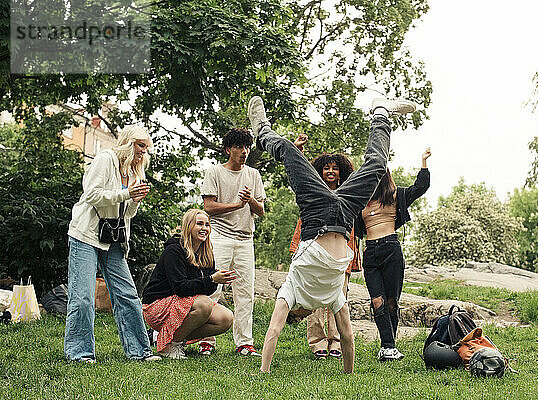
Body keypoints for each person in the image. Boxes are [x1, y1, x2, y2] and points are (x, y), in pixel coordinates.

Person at [247, 95, 417, 373]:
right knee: (376, 166)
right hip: (345, 212)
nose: (301, 316)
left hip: (315, 213)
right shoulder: (333, 296)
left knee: (289, 151)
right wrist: (349, 375)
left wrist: (264, 372)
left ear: (296, 312)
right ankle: (381, 114)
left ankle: (262, 130)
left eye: (298, 317)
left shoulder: (289, 292)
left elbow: (274, 331)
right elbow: (348, 337)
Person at [65, 125, 160, 363]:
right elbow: (92, 194)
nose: (142, 152)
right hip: (85, 234)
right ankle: (79, 353)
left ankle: (140, 351)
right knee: (83, 297)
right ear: (128, 143)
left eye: (145, 148)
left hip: (113, 239)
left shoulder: (137, 171)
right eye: (140, 146)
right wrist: (127, 193)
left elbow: (128, 214)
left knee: (127, 294)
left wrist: (134, 199)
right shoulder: (106, 159)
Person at [355, 149, 430, 361]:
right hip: (370, 252)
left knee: (391, 302)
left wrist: (423, 162)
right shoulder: (360, 202)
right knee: (376, 301)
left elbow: (421, 187)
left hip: (391, 249)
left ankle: (388, 346)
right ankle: (388, 346)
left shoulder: (396, 196)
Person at [288, 147, 362, 360]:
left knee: (339, 299)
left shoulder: (348, 192)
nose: (331, 171)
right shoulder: (313, 192)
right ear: (319, 171)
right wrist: (299, 150)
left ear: (342, 172)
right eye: (326, 168)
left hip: (341, 252)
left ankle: (337, 342)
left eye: (335, 168)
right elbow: (299, 173)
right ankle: (318, 342)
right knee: (315, 297)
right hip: (316, 252)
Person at [200, 128, 266, 356]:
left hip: (246, 239)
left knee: (245, 292)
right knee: (212, 289)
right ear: (228, 149)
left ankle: (244, 343)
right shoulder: (215, 172)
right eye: (239, 147)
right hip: (220, 237)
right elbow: (208, 207)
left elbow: (262, 211)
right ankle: (206, 339)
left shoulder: (253, 175)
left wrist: (250, 201)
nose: (244, 151)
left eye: (247, 147)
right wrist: (236, 205)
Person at [142, 209, 236, 359]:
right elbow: (181, 288)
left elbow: (207, 290)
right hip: (156, 306)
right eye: (199, 224)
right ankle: (170, 346)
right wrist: (211, 279)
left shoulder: (206, 252)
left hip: (183, 303)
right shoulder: (174, 251)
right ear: (189, 226)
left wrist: (215, 280)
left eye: (207, 225)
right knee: (204, 304)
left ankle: (166, 338)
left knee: (225, 318)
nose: (204, 228)